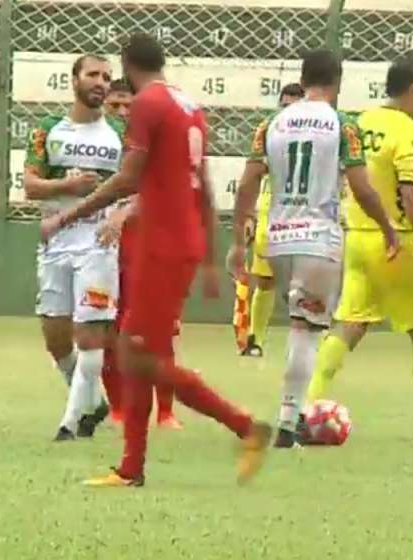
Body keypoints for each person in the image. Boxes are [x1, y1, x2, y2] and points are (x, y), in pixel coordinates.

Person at [41, 32, 272, 487]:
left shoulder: (148, 104)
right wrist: (207, 252)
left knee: (135, 354)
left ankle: (245, 426)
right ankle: (132, 467)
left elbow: (128, 178)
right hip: (179, 238)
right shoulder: (188, 106)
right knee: (145, 350)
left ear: (127, 65)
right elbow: (202, 182)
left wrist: (69, 215)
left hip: (161, 240)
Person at [229, 50, 398, 448]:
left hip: (279, 238)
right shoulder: (342, 124)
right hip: (319, 238)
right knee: (304, 332)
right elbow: (360, 186)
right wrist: (387, 227)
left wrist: (238, 242)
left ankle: (290, 419)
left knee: (292, 315)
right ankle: (288, 423)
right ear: (337, 82)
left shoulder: (271, 123)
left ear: (303, 80)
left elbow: (248, 183)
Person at [305, 56, 413, 442]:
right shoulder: (408, 131)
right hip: (398, 242)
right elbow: (412, 192)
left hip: (359, 238)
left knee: (349, 323)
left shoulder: (360, 122)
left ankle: (306, 406)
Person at [23, 53, 120, 441]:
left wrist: (121, 215)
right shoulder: (49, 129)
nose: (101, 82)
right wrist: (67, 186)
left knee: (90, 334)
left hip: (98, 243)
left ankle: (69, 423)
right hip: (56, 241)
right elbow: (30, 186)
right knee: (55, 337)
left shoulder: (121, 132)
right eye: (93, 75)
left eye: (107, 77)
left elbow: (142, 184)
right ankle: (93, 402)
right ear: (74, 80)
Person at [98, 77, 181, 429]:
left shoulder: (152, 142)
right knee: (106, 327)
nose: (120, 112)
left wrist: (128, 209)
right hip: (101, 246)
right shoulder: (96, 141)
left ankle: (165, 411)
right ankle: (117, 407)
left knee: (156, 329)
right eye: (113, 105)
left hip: (147, 243)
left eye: (127, 106)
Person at [234, 82, 306, 358]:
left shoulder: (320, 132)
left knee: (308, 279)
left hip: (307, 212)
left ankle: (312, 339)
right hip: (272, 211)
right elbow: (252, 175)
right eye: (284, 106)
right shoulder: (268, 130)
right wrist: (249, 214)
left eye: (295, 106)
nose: (288, 112)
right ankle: (255, 339)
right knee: (265, 280)